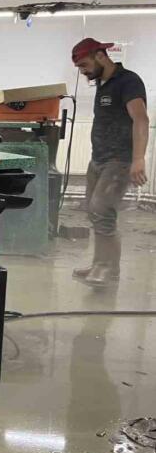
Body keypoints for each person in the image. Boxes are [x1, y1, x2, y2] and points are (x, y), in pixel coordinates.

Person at [70, 38, 148, 287]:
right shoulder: (102, 83)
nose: (83, 72)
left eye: (84, 65)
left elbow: (141, 119)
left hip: (119, 160)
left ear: (100, 56)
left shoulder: (128, 81)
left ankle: (107, 269)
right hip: (99, 158)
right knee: (94, 212)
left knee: (102, 210)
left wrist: (138, 159)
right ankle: (99, 264)